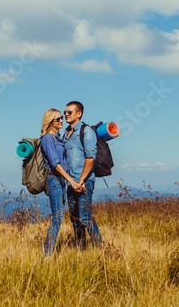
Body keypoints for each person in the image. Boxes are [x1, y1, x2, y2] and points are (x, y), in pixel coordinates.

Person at [40, 109, 82, 257]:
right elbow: (55, 163)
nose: (61, 121)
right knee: (57, 217)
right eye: (58, 119)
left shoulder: (57, 138)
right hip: (54, 179)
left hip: (60, 180)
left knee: (59, 216)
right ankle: (47, 255)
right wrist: (72, 181)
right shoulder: (47, 139)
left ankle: (48, 253)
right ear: (50, 121)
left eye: (61, 118)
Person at [63, 101, 102, 249]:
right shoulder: (65, 134)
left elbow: (90, 158)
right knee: (75, 219)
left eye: (70, 112)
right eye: (65, 112)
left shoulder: (86, 131)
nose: (66, 114)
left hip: (84, 182)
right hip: (71, 183)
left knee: (85, 217)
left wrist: (81, 180)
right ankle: (81, 249)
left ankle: (99, 249)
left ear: (78, 114)